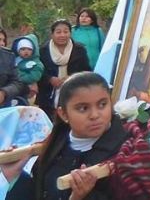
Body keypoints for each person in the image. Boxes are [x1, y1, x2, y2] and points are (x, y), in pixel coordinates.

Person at [5, 72, 132, 200]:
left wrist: (82, 196)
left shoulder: (127, 152)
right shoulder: (56, 143)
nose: (95, 115)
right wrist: (14, 175)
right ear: (63, 114)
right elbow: (37, 190)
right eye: (83, 108)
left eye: (102, 104)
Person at [38, 20, 91, 118]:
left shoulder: (79, 50)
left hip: (74, 92)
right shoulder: (42, 50)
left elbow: (87, 71)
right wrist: (50, 79)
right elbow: (38, 71)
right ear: (52, 34)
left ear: (70, 33)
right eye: (58, 32)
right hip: (48, 95)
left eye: (66, 32)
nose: (62, 35)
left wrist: (71, 78)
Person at [14, 38, 43, 103]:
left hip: (29, 90)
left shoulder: (36, 63)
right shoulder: (15, 59)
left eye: (29, 49)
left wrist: (19, 76)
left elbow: (34, 76)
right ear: (18, 51)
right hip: (16, 89)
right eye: (23, 49)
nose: (26, 51)